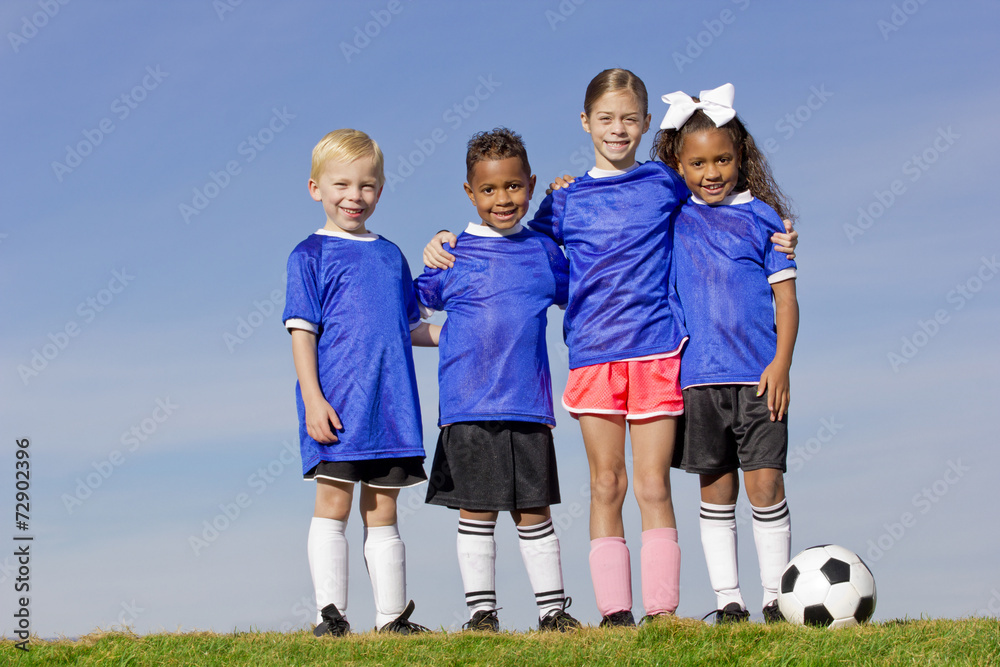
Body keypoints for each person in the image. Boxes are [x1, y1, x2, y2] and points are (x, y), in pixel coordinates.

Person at [424, 69, 798, 626]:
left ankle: (662, 611)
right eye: (605, 118)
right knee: (606, 483)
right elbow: (511, 241)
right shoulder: (564, 200)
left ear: (646, 124)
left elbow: (718, 196)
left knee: (652, 484)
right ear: (585, 122)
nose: (617, 129)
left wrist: (777, 231)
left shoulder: (666, 182)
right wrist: (444, 240)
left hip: (657, 353)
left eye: (628, 119)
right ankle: (615, 612)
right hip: (593, 357)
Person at [416, 128, 581, 633]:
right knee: (477, 511)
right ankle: (481, 615)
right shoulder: (451, 255)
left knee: (534, 511)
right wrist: (450, 335)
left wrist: (564, 201)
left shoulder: (545, 253)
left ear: (530, 184)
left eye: (513, 186)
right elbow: (404, 317)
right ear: (470, 193)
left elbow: (585, 294)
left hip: (529, 406)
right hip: (467, 407)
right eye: (489, 189)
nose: (502, 199)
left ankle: (553, 613)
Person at [283, 129, 438, 637]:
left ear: (381, 189)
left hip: (392, 408)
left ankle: (392, 619)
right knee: (334, 503)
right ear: (316, 188)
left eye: (367, 185)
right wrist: (313, 400)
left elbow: (410, 327)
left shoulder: (391, 255)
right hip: (337, 408)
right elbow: (302, 334)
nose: (355, 196)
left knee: (384, 507)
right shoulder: (309, 255)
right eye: (342, 184)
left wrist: (463, 331)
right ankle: (330, 617)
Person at [655, 83, 799, 624]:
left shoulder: (764, 218)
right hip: (697, 379)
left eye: (722, 159)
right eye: (697, 163)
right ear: (679, 164)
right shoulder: (672, 218)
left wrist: (781, 363)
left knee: (766, 483)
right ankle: (728, 600)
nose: (711, 172)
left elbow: (786, 299)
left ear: (741, 156)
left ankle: (776, 599)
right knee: (715, 489)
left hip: (760, 377)